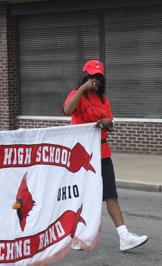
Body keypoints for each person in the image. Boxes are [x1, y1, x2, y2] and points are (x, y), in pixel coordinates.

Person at [63, 60, 148, 251]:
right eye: (91, 76)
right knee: (83, 196)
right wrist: (82, 89)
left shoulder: (103, 100)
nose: (95, 80)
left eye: (98, 77)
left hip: (102, 153)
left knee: (111, 195)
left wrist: (110, 122)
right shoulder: (77, 95)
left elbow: (111, 124)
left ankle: (124, 237)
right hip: (82, 156)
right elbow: (68, 110)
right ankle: (78, 236)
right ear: (84, 76)